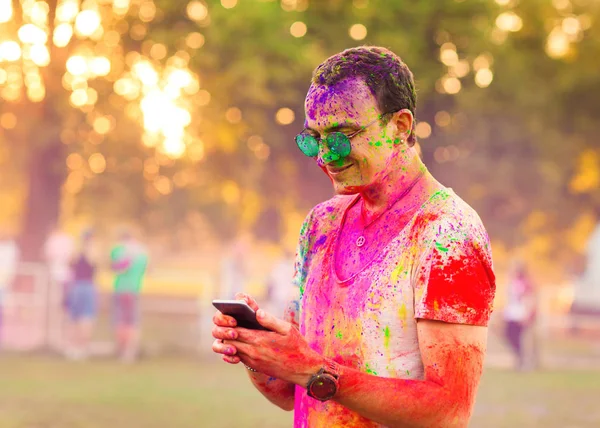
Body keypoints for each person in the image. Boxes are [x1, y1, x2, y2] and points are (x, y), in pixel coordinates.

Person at [212, 46, 496, 427]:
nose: (325, 156)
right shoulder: (320, 225)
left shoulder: (446, 232)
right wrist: (259, 353)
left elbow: (448, 411)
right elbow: (293, 393)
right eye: (313, 139)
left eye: (342, 137)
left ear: (400, 125)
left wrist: (314, 371)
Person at [110, 230, 148, 362]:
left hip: (121, 288)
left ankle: (123, 351)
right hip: (133, 289)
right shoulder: (142, 253)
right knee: (132, 322)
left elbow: (116, 267)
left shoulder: (118, 251)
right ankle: (129, 352)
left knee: (122, 321)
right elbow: (145, 269)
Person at [63, 229, 98, 361]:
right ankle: (77, 348)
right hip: (82, 286)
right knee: (79, 318)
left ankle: (78, 348)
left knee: (80, 319)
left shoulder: (83, 252)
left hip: (80, 286)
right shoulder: (82, 252)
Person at [503, 259, 537, 371]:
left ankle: (523, 360)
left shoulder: (525, 283)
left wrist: (528, 314)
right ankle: (519, 358)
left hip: (520, 314)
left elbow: (529, 299)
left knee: (520, 339)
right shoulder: (512, 282)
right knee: (508, 335)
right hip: (511, 313)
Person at [0, 229, 19, 348]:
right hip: (4, 283)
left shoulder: (11, 248)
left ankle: (3, 337)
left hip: (4, 283)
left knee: (2, 310)